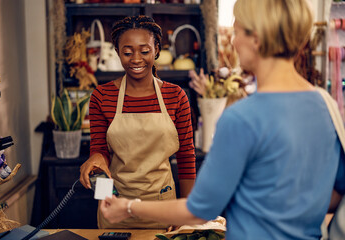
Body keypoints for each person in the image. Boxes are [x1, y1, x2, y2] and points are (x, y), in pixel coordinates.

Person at [99, 0, 345, 239]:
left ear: (256, 39)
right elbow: (335, 195)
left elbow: (199, 209)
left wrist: (129, 207)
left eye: (237, 31)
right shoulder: (326, 104)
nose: (235, 42)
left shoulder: (243, 117)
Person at [79, 15, 196, 228]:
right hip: (116, 210)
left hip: (164, 208)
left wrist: (186, 214)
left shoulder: (175, 96)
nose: (135, 59)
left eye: (144, 51)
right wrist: (106, 197)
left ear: (157, 50)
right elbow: (100, 153)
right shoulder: (102, 96)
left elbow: (186, 157)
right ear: (117, 52)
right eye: (127, 52)